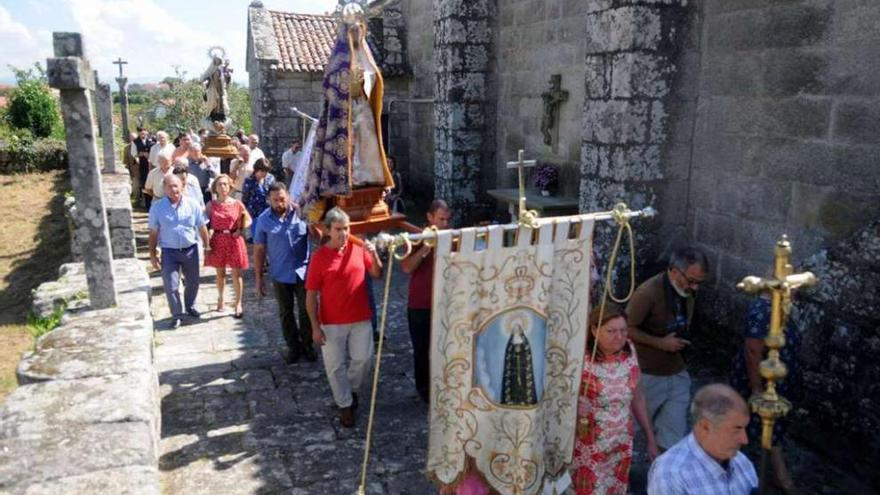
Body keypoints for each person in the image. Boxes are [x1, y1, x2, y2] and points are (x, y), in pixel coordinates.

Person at [301, 18, 395, 221]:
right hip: (342, 114)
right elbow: (330, 86)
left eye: (359, 31)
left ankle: (369, 179)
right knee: (347, 149)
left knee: (367, 144)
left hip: (361, 107)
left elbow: (374, 79)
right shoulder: (337, 60)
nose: (357, 35)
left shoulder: (365, 57)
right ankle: (349, 181)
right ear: (345, 32)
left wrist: (367, 78)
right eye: (353, 31)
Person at [626, 246, 709, 451]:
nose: (695, 287)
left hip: (677, 373)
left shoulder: (686, 290)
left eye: (699, 282)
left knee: (672, 437)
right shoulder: (647, 293)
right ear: (674, 271)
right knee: (630, 431)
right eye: (691, 281)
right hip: (648, 376)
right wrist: (660, 343)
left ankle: (662, 478)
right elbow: (625, 328)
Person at [305, 207, 382, 427]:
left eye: (346, 229)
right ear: (327, 230)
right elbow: (310, 296)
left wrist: (374, 253)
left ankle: (350, 390)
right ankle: (345, 404)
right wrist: (315, 327)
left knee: (364, 359)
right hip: (331, 321)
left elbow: (377, 273)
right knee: (335, 366)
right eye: (338, 229)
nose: (344, 234)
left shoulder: (358, 248)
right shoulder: (319, 258)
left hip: (360, 317)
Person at [572, 305, 658, 494]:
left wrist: (650, 438)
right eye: (611, 331)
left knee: (616, 489)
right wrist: (574, 406)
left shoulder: (629, 351)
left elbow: (638, 397)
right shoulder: (578, 357)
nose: (619, 337)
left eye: (623, 330)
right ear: (594, 330)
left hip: (621, 441)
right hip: (588, 444)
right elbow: (559, 398)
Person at [729, 290, 800, 493]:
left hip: (774, 383)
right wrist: (756, 388)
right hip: (759, 384)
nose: (796, 295)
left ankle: (776, 476)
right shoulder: (763, 310)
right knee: (748, 427)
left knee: (770, 428)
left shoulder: (778, 308)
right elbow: (753, 350)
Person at [647, 383, 758, 495]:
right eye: (736, 429)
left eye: (744, 428)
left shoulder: (742, 462)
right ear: (705, 427)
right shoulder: (672, 474)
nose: (744, 440)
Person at [254, 183, 315, 364]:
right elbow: (259, 250)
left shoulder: (301, 214)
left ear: (288, 196)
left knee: (307, 310)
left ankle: (307, 344)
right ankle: (293, 347)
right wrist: (259, 279)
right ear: (269, 200)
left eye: (282, 199)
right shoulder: (264, 220)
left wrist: (311, 221)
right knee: (285, 312)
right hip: (280, 274)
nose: (279, 203)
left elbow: (318, 236)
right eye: (275, 200)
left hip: (303, 272)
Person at [400, 200, 449, 403]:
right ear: (430, 217)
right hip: (420, 305)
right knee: (422, 351)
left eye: (447, 219)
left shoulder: (450, 237)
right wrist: (425, 249)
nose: (445, 224)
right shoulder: (416, 238)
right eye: (441, 219)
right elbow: (406, 267)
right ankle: (425, 392)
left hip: (444, 303)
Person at [148, 175, 210, 329]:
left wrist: (207, 246)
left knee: (193, 281)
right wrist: (152, 254)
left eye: (176, 186)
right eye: (169, 186)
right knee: (171, 285)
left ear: (182, 186)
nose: (173, 189)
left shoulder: (192, 204)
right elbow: (153, 232)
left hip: (190, 250)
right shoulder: (157, 208)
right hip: (169, 251)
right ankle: (177, 314)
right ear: (164, 189)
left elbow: (201, 226)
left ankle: (190, 306)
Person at [205, 174, 250, 317]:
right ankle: (221, 298)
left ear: (230, 186)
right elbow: (204, 223)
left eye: (225, 184)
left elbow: (248, 219)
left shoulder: (237, 204)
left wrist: (240, 229)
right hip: (218, 239)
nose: (223, 187)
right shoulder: (211, 205)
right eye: (220, 184)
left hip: (234, 240)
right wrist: (206, 242)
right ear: (215, 188)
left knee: (236, 274)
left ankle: (238, 303)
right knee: (220, 273)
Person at [242, 158, 275, 239]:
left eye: (266, 171)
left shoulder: (270, 178)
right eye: (263, 171)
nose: (265, 174)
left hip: (267, 212)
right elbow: (245, 199)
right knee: (257, 238)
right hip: (254, 213)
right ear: (257, 170)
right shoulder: (249, 181)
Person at [131, 127, 155, 208]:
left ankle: (154, 202)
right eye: (141, 133)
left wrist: (149, 155)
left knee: (154, 183)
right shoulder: (135, 142)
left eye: (144, 133)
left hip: (153, 165)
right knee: (145, 184)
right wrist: (140, 155)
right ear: (139, 134)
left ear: (147, 133)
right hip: (142, 166)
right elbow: (134, 154)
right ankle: (147, 204)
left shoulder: (152, 140)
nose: (143, 134)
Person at [123, 132, 140, 200]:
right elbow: (126, 161)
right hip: (134, 172)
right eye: (132, 138)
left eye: (135, 138)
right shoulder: (127, 148)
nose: (133, 139)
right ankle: (136, 200)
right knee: (135, 187)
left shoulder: (142, 146)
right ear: (130, 139)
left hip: (144, 170)